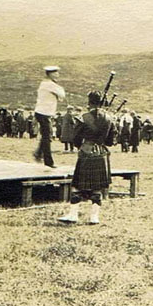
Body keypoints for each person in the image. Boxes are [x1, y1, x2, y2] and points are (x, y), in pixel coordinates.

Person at [58, 91, 115, 225]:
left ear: (89, 102)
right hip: (101, 153)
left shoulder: (84, 117)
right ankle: (94, 217)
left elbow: (75, 139)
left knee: (78, 184)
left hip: (86, 152)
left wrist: (82, 146)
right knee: (97, 186)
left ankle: (73, 215)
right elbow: (110, 141)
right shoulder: (109, 118)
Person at [33, 66, 65, 168]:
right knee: (47, 137)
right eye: (55, 73)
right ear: (50, 74)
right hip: (44, 113)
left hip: (42, 112)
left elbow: (60, 97)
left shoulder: (45, 84)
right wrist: (58, 93)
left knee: (46, 136)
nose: (57, 75)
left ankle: (38, 154)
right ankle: (48, 162)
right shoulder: (50, 85)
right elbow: (62, 94)